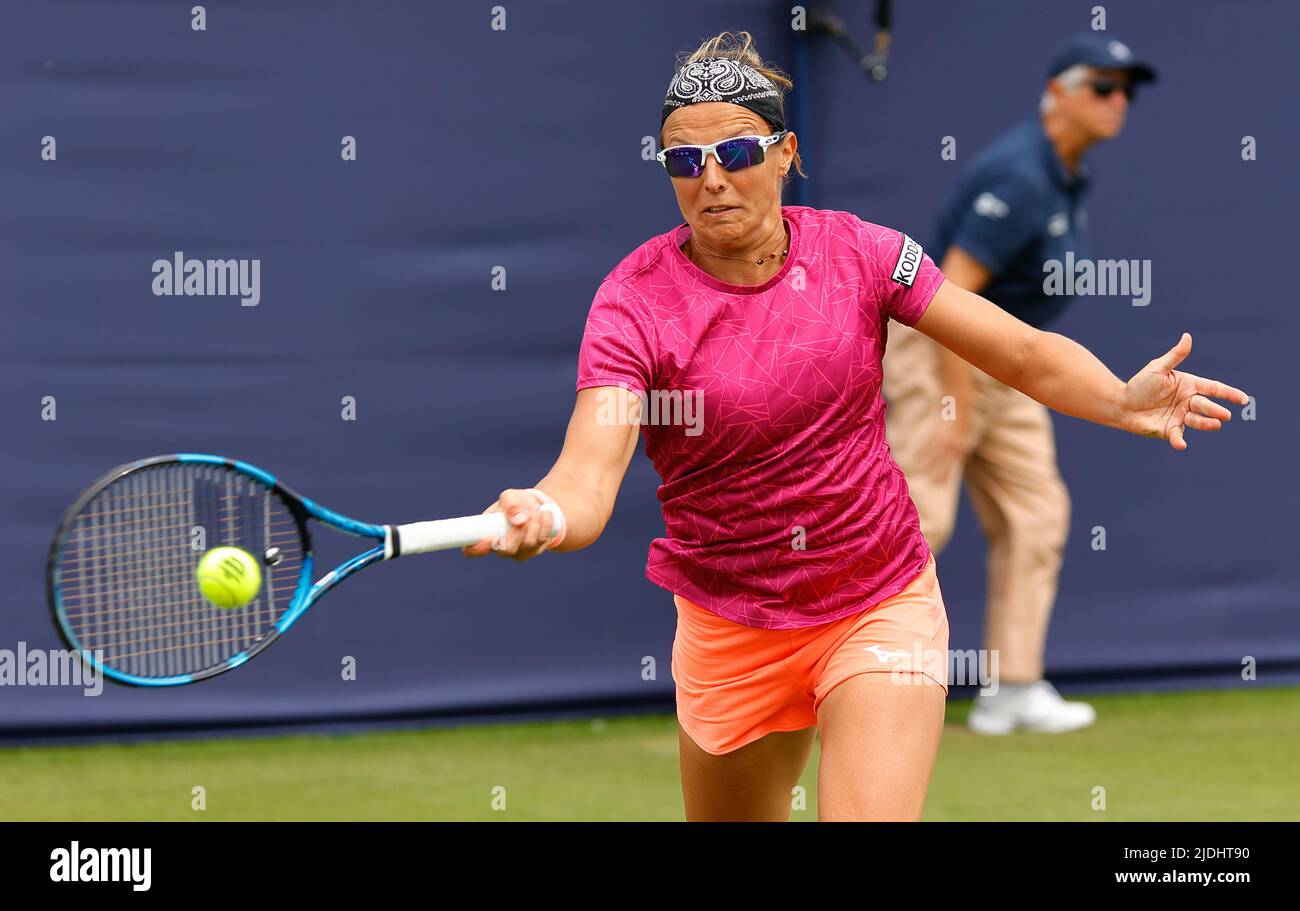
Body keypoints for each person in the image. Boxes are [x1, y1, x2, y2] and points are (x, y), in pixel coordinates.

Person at [463, 31, 1246, 821]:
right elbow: (589, 474)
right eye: (681, 162)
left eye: (735, 152)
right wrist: (548, 512)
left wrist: (1117, 398)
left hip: (877, 597)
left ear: (783, 152)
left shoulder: (862, 253)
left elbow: (1019, 350)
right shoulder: (632, 301)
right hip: (727, 622)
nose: (710, 180)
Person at [883, 33, 1158, 735]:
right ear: (1058, 93)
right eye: (1102, 86)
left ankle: (1013, 685)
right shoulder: (1020, 176)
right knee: (921, 517)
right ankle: (837, 673)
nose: (1118, 101)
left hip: (1011, 362)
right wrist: (953, 408)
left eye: (1125, 89)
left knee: (1036, 515)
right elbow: (951, 294)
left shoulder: (1068, 171)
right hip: (946, 352)